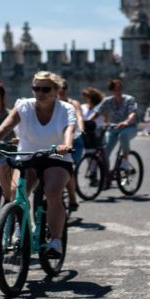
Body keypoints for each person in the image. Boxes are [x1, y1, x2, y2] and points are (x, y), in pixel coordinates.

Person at [0, 71, 76, 257]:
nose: (40, 93)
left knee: (52, 191)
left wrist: (67, 145)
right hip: (28, 156)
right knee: (16, 193)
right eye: (36, 88)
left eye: (45, 89)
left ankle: (55, 241)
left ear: (56, 91)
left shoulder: (65, 109)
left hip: (56, 157)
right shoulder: (24, 107)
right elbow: (4, 127)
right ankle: (20, 228)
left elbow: (68, 129)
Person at [56, 76, 84, 211]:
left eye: (61, 88)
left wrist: (81, 127)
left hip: (75, 140)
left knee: (69, 168)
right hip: (57, 141)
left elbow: (78, 116)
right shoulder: (53, 104)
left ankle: (72, 197)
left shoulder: (73, 103)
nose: (59, 91)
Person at [98, 79, 139, 168]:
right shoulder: (107, 101)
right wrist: (105, 120)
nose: (118, 91)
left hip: (129, 127)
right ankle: (106, 176)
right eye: (115, 89)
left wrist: (126, 122)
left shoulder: (129, 99)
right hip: (114, 128)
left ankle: (125, 161)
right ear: (111, 91)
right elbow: (98, 112)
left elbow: (133, 113)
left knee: (123, 135)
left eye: (120, 89)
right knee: (104, 152)